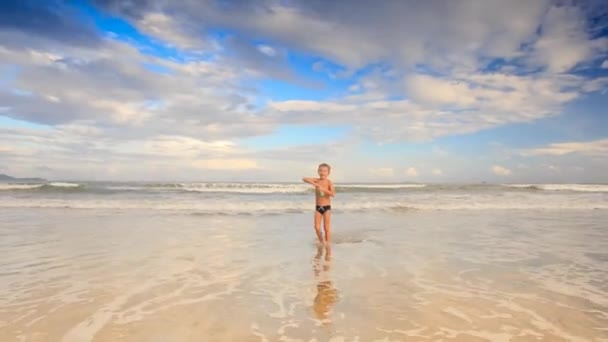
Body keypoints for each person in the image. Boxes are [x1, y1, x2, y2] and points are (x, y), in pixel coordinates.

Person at [302, 163, 336, 245]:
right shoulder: (317, 180)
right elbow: (304, 179)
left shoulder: (329, 182)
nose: (322, 172)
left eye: (325, 171)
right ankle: (322, 242)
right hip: (318, 207)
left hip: (326, 208)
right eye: (320, 170)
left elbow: (333, 194)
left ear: (328, 173)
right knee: (317, 227)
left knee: (326, 228)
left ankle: (328, 244)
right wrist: (315, 184)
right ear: (318, 171)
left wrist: (323, 189)